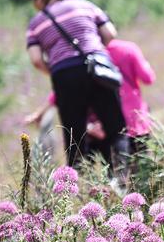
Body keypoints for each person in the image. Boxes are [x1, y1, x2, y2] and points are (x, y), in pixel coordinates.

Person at [25, 0, 130, 175]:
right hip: (97, 68)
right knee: (117, 129)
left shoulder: (36, 23)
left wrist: (56, 69)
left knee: (74, 137)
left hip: (64, 74)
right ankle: (124, 179)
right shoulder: (85, 5)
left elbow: (36, 59)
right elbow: (110, 34)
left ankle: (78, 188)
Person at [26, 39, 156, 160]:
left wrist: (39, 114)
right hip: (135, 120)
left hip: (102, 124)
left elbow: (61, 93)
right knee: (142, 169)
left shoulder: (85, 55)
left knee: (114, 170)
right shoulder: (128, 49)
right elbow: (148, 78)